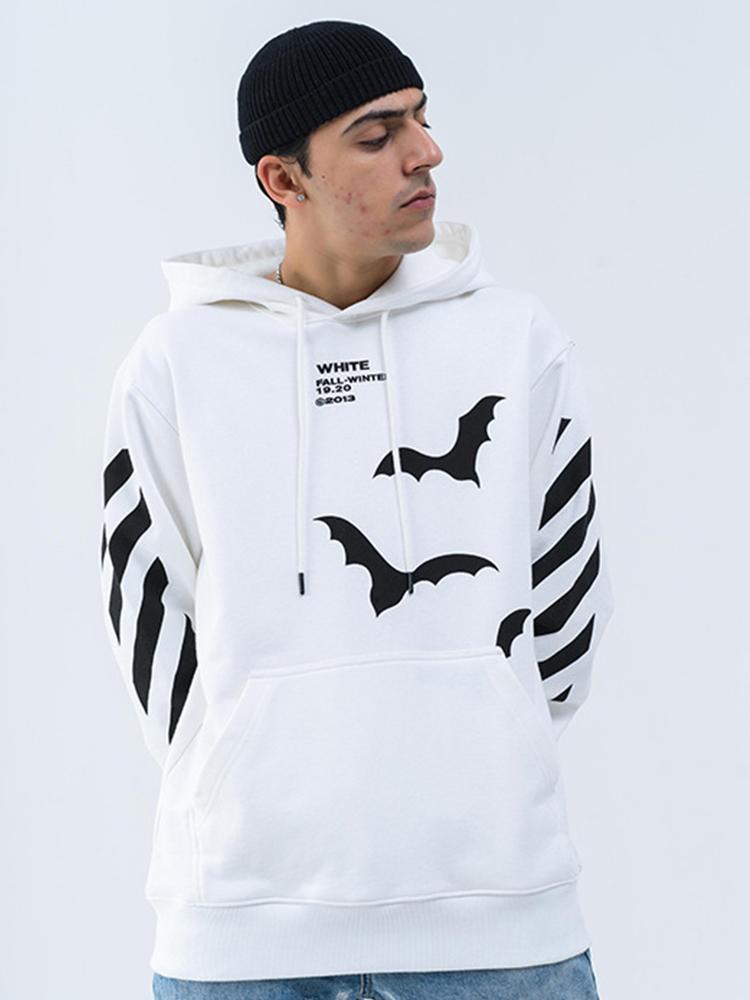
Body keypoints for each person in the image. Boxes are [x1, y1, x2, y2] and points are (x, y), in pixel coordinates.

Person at [99, 19, 614, 1000]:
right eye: (377, 136)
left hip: (499, 931)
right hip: (244, 942)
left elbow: (566, 610)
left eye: (420, 119)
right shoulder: (176, 363)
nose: (427, 153)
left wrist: (483, 746)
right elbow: (149, 620)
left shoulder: (517, 342)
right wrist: (242, 775)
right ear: (282, 178)